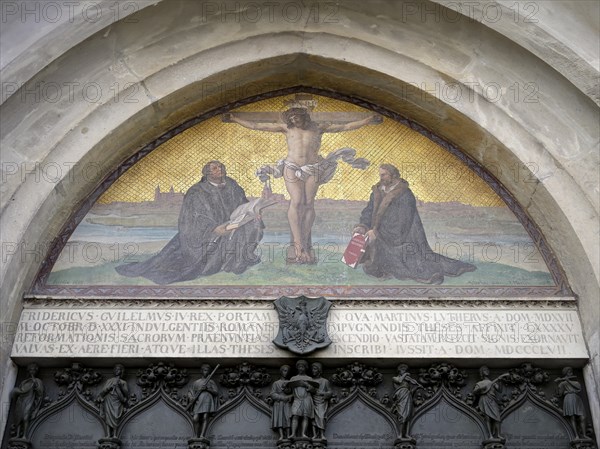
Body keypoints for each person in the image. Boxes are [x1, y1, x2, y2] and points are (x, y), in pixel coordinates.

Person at [224, 108, 381, 263]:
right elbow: (256, 126)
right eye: (291, 118)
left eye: (296, 117)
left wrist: (368, 120)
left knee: (308, 203)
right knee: (297, 201)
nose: (293, 120)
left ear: (303, 116)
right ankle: (298, 246)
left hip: (313, 168)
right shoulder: (285, 128)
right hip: (292, 166)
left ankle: (305, 243)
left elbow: (345, 126)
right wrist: (234, 118)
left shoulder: (318, 128)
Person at [116, 161, 263, 284]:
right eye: (215, 168)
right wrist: (214, 228)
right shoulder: (197, 192)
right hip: (207, 233)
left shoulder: (232, 185)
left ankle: (240, 259)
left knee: (254, 224)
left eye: (221, 166)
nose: (220, 169)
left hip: (233, 224)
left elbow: (243, 204)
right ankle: (224, 261)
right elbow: (194, 218)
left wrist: (253, 212)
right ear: (207, 173)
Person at [353, 164, 476, 284]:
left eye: (384, 175)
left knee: (414, 266)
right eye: (380, 175)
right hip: (378, 233)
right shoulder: (377, 191)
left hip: (403, 238)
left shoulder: (405, 194)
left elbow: (403, 221)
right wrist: (362, 226)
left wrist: (376, 233)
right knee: (367, 257)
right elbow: (368, 211)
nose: (381, 178)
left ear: (393, 175)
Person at [472, 366, 508, 440]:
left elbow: (499, 390)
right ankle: (490, 435)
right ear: (482, 372)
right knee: (487, 418)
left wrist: (500, 381)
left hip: (493, 400)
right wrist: (480, 388)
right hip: (485, 399)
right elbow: (474, 391)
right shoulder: (480, 383)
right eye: (485, 370)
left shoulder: (492, 382)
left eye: (488, 370)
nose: (487, 371)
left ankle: (498, 434)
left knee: (497, 417)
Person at [10, 363, 44, 439]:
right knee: (19, 417)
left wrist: (36, 385)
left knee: (25, 417)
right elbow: (20, 390)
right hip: (21, 400)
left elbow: (40, 392)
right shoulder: (24, 382)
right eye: (31, 370)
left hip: (29, 400)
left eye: (34, 370)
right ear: (28, 371)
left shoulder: (37, 381)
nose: (32, 371)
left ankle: (25, 435)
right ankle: (18, 434)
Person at [391, 364, 422, 439]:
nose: (404, 371)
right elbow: (399, 381)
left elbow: (411, 392)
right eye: (402, 370)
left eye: (405, 370)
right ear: (399, 371)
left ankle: (406, 434)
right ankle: (401, 435)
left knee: (408, 416)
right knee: (402, 415)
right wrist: (405, 375)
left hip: (407, 396)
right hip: (400, 395)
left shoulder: (407, 382)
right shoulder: (395, 378)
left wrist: (417, 387)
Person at [556, 366, 588, 439]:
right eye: (569, 372)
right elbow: (559, 394)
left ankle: (584, 434)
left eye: (571, 372)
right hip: (569, 398)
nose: (571, 373)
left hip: (577, 399)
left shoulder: (575, 382)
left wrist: (568, 381)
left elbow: (579, 388)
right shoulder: (562, 383)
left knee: (583, 417)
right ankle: (576, 435)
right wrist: (558, 385)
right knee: (572, 417)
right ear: (566, 373)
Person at [188, 364, 219, 439]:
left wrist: (207, 389)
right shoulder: (196, 382)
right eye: (204, 370)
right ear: (201, 371)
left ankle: (202, 435)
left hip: (207, 399)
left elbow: (216, 392)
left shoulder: (210, 381)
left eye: (207, 371)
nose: (206, 372)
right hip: (198, 400)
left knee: (205, 417)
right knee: (195, 418)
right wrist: (191, 397)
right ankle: (196, 435)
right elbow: (190, 391)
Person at [98, 364, 128, 438]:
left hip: (118, 401)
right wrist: (109, 387)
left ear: (121, 371)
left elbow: (126, 394)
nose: (117, 371)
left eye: (119, 369)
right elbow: (102, 392)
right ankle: (108, 434)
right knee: (108, 417)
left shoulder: (123, 382)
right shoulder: (109, 381)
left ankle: (115, 435)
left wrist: (120, 386)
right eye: (116, 369)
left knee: (116, 417)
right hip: (109, 400)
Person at [289, 359, 316, 438]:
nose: (301, 369)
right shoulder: (293, 378)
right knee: (295, 415)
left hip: (307, 398)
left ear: (305, 368)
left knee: (305, 416)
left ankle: (303, 434)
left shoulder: (309, 379)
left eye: (302, 367)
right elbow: (289, 390)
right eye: (299, 367)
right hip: (297, 399)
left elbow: (314, 390)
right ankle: (293, 433)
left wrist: (307, 385)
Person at [311, 362, 332, 440]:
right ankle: (314, 435)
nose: (313, 370)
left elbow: (330, 392)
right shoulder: (311, 380)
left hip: (321, 401)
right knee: (312, 418)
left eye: (315, 369)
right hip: (312, 400)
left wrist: (322, 393)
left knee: (321, 417)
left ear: (319, 370)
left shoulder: (325, 381)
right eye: (312, 369)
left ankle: (322, 434)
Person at [270, 365, 293, 440]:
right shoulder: (276, 383)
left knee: (288, 418)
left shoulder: (291, 383)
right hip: (279, 403)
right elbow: (273, 394)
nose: (286, 373)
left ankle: (289, 435)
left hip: (288, 403)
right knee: (280, 419)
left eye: (287, 371)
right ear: (281, 372)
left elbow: (295, 393)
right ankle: (281, 435)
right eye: (284, 370)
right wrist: (282, 398)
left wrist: (290, 396)